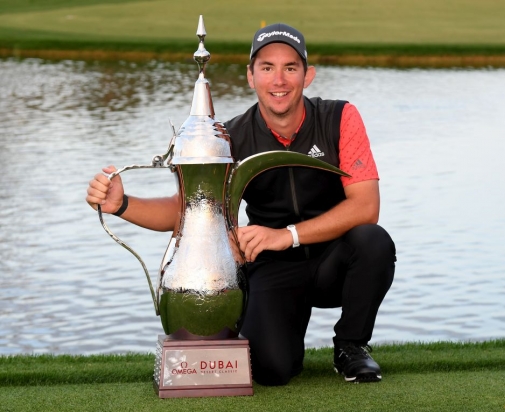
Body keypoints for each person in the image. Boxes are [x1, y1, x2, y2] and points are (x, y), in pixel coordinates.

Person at [86, 23, 396, 386]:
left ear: (307, 76)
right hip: (271, 267)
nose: (278, 80)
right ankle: (286, 340)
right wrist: (123, 204)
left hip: (334, 262)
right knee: (271, 369)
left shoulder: (340, 117)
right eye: (267, 68)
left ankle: (351, 347)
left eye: (290, 68)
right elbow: (188, 211)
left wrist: (287, 235)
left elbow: (365, 207)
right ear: (250, 76)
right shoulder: (231, 137)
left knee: (373, 241)